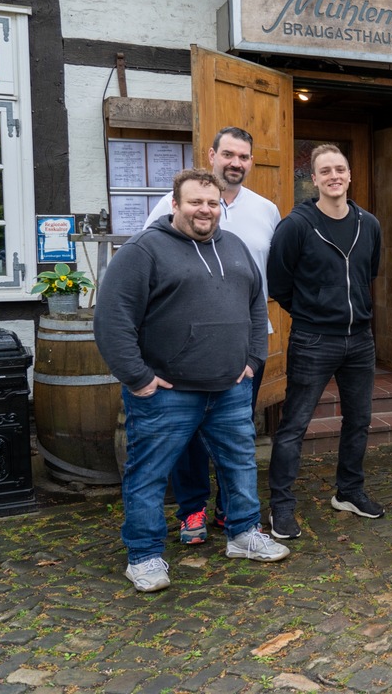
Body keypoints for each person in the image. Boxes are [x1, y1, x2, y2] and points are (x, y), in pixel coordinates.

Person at [94, 168, 289, 593]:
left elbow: (258, 306)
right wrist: (138, 378)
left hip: (230, 389)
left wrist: (254, 359)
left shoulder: (234, 247)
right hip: (166, 394)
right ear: (176, 203)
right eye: (195, 202)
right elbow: (112, 319)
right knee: (147, 475)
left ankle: (243, 534)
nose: (205, 209)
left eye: (212, 202)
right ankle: (144, 556)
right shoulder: (144, 251)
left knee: (240, 464)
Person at [144, 126, 280, 546]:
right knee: (188, 439)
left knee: (236, 435)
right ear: (212, 154)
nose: (235, 163)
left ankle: (234, 513)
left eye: (243, 156)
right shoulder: (168, 207)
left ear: (251, 162)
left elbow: (270, 276)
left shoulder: (267, 210)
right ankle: (192, 510)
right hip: (186, 350)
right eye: (228, 155)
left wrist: (256, 351)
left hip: (242, 347)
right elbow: (145, 263)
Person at [266, 144, 383, 541]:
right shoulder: (296, 225)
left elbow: (370, 274)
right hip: (315, 339)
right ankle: (280, 507)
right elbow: (279, 284)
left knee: (359, 420)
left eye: (340, 169)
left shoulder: (370, 224)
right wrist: (312, 312)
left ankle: (348, 491)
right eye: (325, 171)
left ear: (350, 176)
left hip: (360, 339)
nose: (334, 176)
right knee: (295, 424)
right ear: (312, 179)